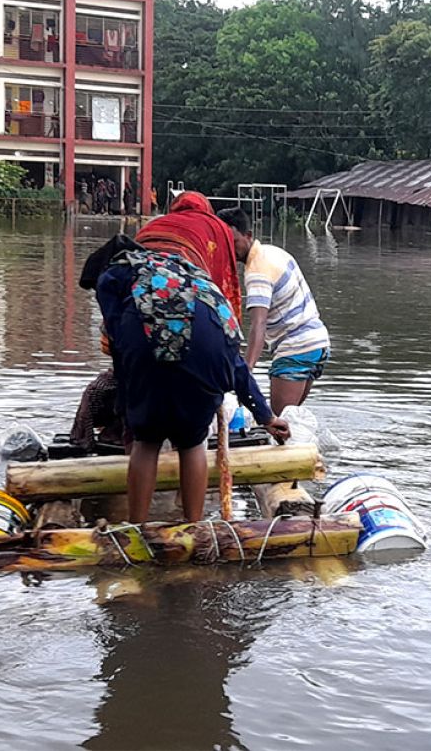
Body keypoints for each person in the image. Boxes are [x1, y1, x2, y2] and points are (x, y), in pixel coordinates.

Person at [81, 235, 289, 523]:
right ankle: (194, 527)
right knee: (192, 441)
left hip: (151, 345)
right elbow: (233, 359)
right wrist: (265, 416)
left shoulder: (111, 274)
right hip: (214, 347)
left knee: (147, 440)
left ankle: (136, 529)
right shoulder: (184, 270)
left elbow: (119, 344)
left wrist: (129, 410)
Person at [216, 208, 330, 417]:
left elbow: (258, 324)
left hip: (296, 348)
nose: (230, 249)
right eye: (225, 244)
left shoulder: (257, 271)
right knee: (292, 420)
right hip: (317, 344)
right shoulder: (274, 252)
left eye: (234, 242)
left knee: (277, 424)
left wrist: (246, 373)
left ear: (248, 235)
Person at [134, 191, 243, 313]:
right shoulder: (215, 226)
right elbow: (223, 277)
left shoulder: (153, 224)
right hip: (185, 289)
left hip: (137, 283)